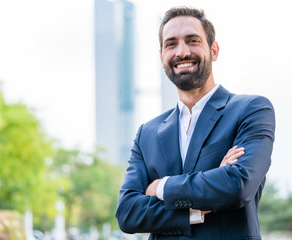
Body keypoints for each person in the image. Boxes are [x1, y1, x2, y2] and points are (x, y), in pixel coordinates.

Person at [115, 6, 275, 240]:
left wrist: (160, 187)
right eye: (171, 44)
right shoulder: (146, 133)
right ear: (162, 58)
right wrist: (196, 208)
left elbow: (238, 185)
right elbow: (128, 213)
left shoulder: (252, 110)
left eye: (192, 40)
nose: (182, 52)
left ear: (214, 50)